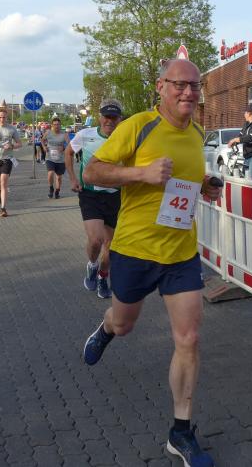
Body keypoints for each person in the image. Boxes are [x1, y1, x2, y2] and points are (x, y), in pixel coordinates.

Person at [81, 59, 221, 467]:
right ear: (161, 87)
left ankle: (181, 432)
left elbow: (185, 181)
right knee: (124, 324)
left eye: (195, 85)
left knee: (189, 338)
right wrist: (141, 173)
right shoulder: (137, 126)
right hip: (135, 250)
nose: (188, 92)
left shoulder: (197, 133)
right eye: (180, 84)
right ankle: (107, 328)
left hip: (180, 252)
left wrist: (206, 186)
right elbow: (93, 172)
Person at [64, 99, 124, 299]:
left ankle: (103, 277)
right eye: (106, 116)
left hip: (115, 195)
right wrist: (73, 178)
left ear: (120, 119)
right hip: (90, 194)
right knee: (96, 240)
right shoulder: (85, 134)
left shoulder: (126, 137)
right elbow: (68, 152)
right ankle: (92, 265)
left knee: (111, 245)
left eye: (114, 117)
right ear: (100, 117)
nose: (110, 121)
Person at [227, 104, 252, 180]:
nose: (244, 114)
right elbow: (241, 135)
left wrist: (235, 140)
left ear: (249, 113)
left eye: (245, 113)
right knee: (245, 177)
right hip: (248, 154)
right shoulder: (246, 124)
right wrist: (234, 142)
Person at [42, 117, 70, 199]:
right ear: (52, 125)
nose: (56, 126)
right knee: (50, 173)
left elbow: (69, 144)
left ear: (60, 125)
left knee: (59, 177)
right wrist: (44, 147)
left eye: (58, 124)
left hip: (60, 159)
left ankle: (57, 191)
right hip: (50, 158)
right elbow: (42, 140)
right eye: (54, 124)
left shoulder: (64, 134)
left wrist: (64, 147)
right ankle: (51, 188)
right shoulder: (48, 133)